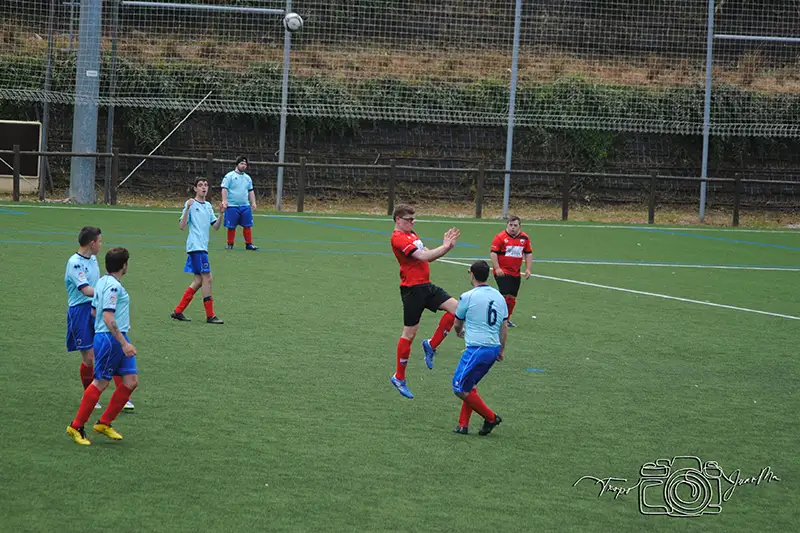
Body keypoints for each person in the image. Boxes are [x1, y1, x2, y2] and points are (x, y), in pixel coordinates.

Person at [66, 247, 138, 445]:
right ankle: (76, 426)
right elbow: (107, 317)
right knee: (101, 382)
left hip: (116, 336)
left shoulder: (102, 283)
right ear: (124, 265)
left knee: (131, 381)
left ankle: (104, 422)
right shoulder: (113, 287)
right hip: (111, 339)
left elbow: (93, 312)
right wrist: (123, 343)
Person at [389, 204, 461, 399]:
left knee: (458, 310)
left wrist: (446, 248)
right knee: (409, 334)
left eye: (414, 220)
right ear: (398, 220)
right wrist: (444, 246)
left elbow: (429, 256)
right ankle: (399, 377)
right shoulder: (398, 238)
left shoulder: (412, 234)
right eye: (409, 220)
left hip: (426, 286)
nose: (412, 223)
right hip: (412, 290)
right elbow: (422, 256)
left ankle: (431, 344)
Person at [64, 227, 133, 411]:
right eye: (100, 241)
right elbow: (86, 290)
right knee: (89, 358)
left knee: (111, 348)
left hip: (96, 307)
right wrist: (106, 294)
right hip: (80, 311)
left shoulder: (93, 259)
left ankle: (122, 394)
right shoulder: (75, 263)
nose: (102, 245)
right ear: (92, 243)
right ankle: (90, 394)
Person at [452, 260, 508, 436]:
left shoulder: (467, 296)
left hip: (477, 349)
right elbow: (504, 326)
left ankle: (491, 417)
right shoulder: (499, 296)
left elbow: (457, 322)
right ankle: (463, 425)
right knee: (470, 384)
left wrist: (460, 332)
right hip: (492, 348)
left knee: (459, 387)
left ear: (473, 275)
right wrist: (501, 350)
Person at [171, 177, 225, 324]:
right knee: (208, 278)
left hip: (202, 248)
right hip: (196, 247)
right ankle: (210, 315)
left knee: (199, 280)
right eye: (200, 185)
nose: (204, 187)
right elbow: (182, 226)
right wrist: (187, 208)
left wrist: (221, 213)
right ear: (195, 188)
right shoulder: (191, 204)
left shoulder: (208, 206)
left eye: (206, 185)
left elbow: (216, 226)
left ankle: (178, 311)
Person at [489, 216, 532, 327]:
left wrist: (528, 268)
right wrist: (497, 268)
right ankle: (497, 318)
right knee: (504, 295)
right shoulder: (500, 237)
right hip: (502, 271)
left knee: (512, 297)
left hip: (515, 272)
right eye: (510, 225)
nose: (512, 228)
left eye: (515, 225)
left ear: (520, 226)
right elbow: (493, 253)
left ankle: (506, 319)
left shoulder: (525, 238)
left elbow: (528, 253)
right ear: (507, 225)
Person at [221, 156, 258, 250]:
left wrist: (253, 202)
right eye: (241, 163)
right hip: (232, 206)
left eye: (245, 164)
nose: (244, 166)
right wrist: (224, 201)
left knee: (247, 226)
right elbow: (224, 188)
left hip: (245, 205)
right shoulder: (229, 176)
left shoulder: (247, 178)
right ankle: (230, 244)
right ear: (237, 164)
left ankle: (249, 244)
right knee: (231, 226)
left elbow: (251, 190)